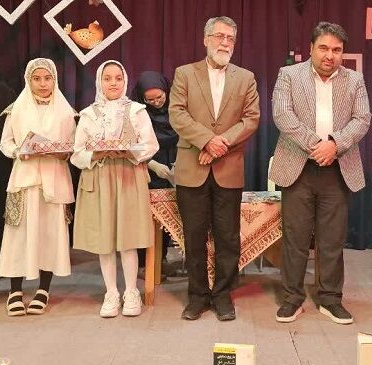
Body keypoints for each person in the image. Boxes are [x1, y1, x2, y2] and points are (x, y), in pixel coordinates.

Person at [269, 21, 371, 325]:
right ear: (311, 48)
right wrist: (317, 145)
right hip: (298, 165)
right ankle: (292, 298)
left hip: (337, 168)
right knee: (295, 238)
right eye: (324, 48)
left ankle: (330, 298)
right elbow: (282, 114)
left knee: (332, 239)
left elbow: (362, 119)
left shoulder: (355, 80)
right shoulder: (289, 75)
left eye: (337, 50)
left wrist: (334, 145)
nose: (330, 55)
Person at [168, 16, 260, 321]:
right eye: (220, 36)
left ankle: (222, 295)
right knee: (193, 236)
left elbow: (251, 119)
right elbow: (177, 114)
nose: (225, 43)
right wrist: (207, 141)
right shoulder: (184, 73)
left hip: (229, 168)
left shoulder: (246, 78)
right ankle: (197, 297)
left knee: (228, 237)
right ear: (206, 39)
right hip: (191, 168)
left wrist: (221, 144)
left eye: (230, 38)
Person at [72, 60, 158, 318]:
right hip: (100, 178)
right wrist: (96, 154)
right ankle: (111, 292)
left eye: (118, 78)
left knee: (128, 238)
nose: (113, 83)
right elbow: (77, 153)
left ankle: (131, 291)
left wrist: (129, 152)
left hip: (128, 176)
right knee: (105, 239)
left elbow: (150, 145)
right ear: (99, 81)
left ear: (125, 81)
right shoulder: (88, 114)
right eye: (107, 78)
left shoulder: (137, 111)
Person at [0, 58, 76, 316]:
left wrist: (63, 152)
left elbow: (74, 145)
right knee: (19, 235)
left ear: (55, 80)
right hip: (25, 180)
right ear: (28, 81)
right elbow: (5, 142)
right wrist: (18, 152)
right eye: (37, 79)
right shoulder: (16, 109)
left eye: (47, 78)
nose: (43, 84)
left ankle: (43, 289)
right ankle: (15, 290)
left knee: (49, 234)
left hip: (54, 180)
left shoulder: (66, 112)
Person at [132, 71, 177, 268]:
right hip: (145, 166)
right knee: (145, 216)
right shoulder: (136, 114)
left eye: (160, 97)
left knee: (168, 213)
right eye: (149, 100)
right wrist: (151, 164)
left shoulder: (177, 108)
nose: (156, 102)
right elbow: (131, 144)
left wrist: (179, 163)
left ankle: (161, 257)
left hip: (173, 163)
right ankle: (144, 262)